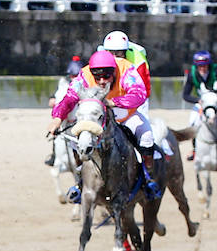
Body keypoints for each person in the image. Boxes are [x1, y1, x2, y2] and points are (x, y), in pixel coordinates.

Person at [48, 48, 163, 199]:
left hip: (125, 114)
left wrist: (113, 102)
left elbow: (139, 94)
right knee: (79, 139)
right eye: (98, 77)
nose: (102, 81)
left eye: (107, 76)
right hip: (98, 117)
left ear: (114, 71)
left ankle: (148, 178)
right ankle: (80, 181)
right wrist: (57, 118)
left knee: (147, 135)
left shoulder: (126, 69)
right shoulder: (84, 74)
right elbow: (69, 98)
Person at [101, 30, 150, 95]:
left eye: (118, 52)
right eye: (111, 52)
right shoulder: (100, 56)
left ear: (125, 52)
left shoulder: (138, 63)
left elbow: (144, 91)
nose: (115, 56)